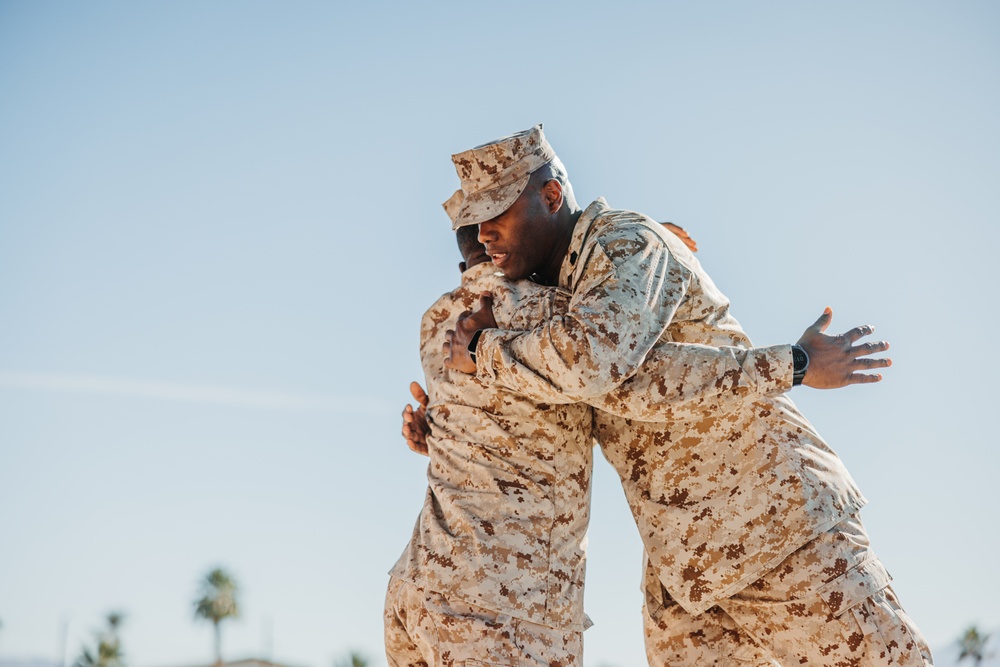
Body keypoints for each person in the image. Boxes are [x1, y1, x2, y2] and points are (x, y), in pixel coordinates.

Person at [441, 124, 932, 666]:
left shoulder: (625, 241)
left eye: (497, 213)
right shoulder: (555, 290)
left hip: (777, 522)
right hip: (687, 568)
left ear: (551, 196)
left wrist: (792, 365)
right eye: (476, 219)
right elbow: (548, 400)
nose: (483, 233)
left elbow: (601, 367)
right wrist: (438, 424)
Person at [391, 192, 814, 667]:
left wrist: (433, 431)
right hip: (502, 605)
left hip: (421, 582)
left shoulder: (435, 321)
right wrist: (794, 364)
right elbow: (627, 366)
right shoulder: (545, 309)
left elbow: (485, 422)